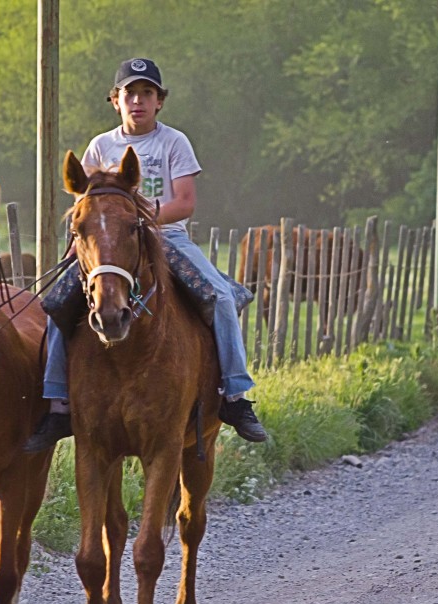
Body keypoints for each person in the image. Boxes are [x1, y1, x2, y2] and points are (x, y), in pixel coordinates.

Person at [25, 57, 267, 452]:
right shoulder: (101, 146)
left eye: (147, 93)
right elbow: (85, 202)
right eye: (130, 93)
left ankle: (235, 396)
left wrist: (139, 220)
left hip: (167, 237)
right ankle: (57, 403)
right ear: (115, 101)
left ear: (159, 102)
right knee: (56, 304)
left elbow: (185, 202)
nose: (138, 100)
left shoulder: (173, 142)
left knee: (219, 296)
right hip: (107, 245)